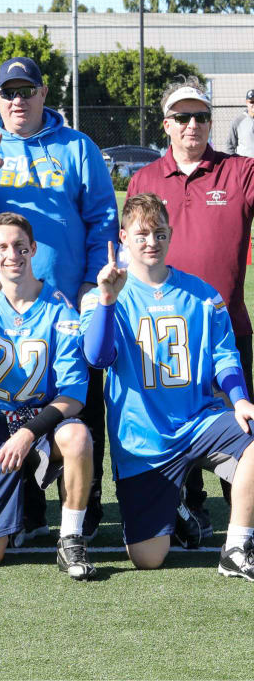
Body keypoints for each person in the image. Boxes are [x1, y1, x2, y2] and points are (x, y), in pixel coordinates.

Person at [0, 56, 119, 541]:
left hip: (64, 303)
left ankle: (86, 500)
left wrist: (88, 284)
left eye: (26, 91)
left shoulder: (76, 147)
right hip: (1, 307)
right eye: (8, 93)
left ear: (44, 94)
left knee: (81, 398)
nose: (17, 100)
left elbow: (103, 216)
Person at [80, 193, 254, 579]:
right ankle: (175, 508)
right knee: (148, 558)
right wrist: (108, 300)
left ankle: (237, 547)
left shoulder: (202, 293)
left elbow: (225, 356)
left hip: (198, 422)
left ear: (171, 235)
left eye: (159, 233)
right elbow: (97, 358)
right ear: (123, 237)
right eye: (142, 234)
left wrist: (240, 400)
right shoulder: (102, 294)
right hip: (144, 439)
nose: (151, 242)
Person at [128, 78, 254, 538]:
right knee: (175, 419)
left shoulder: (240, 172)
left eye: (201, 116)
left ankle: (242, 521)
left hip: (225, 328)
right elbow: (129, 246)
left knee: (238, 420)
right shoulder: (144, 179)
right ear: (166, 125)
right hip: (158, 332)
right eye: (182, 117)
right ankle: (187, 509)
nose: (192, 125)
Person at [0, 212, 96, 579]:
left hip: (40, 425)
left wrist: (29, 431)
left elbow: (75, 396)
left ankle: (71, 538)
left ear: (33, 249)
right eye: (1, 247)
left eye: (19, 246)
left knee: (77, 436)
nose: (11, 254)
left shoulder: (59, 308)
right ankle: (16, 512)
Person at [220, 90, 254, 158]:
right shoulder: (238, 121)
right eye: (252, 102)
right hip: (245, 167)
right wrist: (237, 164)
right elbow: (230, 146)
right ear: (246, 103)